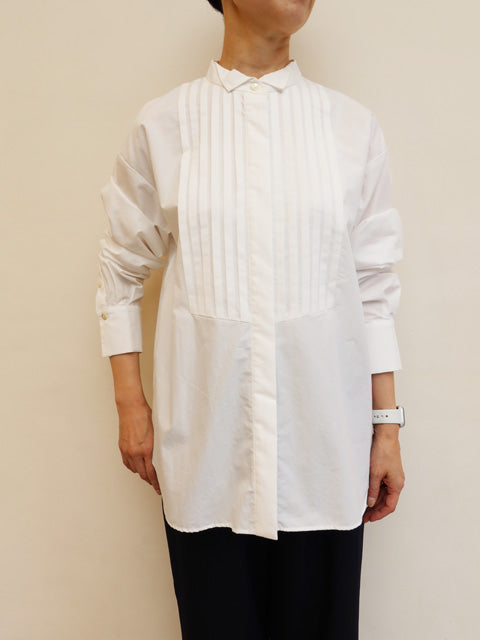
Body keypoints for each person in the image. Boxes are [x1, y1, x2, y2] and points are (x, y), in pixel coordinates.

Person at [95, 0, 406, 637]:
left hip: (324, 455)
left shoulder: (351, 128)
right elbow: (121, 269)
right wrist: (131, 405)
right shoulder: (164, 125)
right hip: (208, 455)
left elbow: (374, 289)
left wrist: (387, 427)